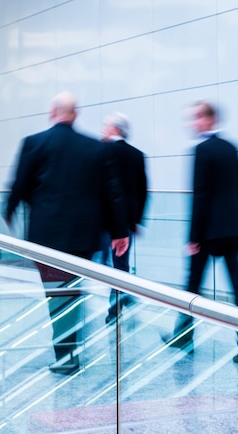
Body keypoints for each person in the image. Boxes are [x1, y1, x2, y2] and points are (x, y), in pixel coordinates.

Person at [5, 91, 129, 375]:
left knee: (55, 294)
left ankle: (66, 353)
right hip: (83, 237)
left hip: (46, 236)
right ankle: (71, 345)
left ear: (53, 113)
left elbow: (19, 184)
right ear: (75, 115)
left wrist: (10, 209)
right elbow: (113, 193)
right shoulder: (96, 148)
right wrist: (119, 231)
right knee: (74, 289)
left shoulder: (35, 143)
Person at [161, 101, 238, 366]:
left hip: (207, 232)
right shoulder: (232, 148)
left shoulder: (202, 150)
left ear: (208, 119)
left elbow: (200, 196)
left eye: (196, 118)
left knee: (192, 285)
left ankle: (183, 336)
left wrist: (193, 237)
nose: (192, 123)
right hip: (232, 226)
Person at [99, 112, 148, 325]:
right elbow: (143, 190)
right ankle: (117, 305)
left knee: (102, 261)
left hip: (103, 220)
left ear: (115, 129)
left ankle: (121, 299)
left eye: (106, 127)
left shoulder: (102, 151)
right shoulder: (137, 155)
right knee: (120, 264)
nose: (103, 130)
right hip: (127, 222)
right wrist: (137, 220)